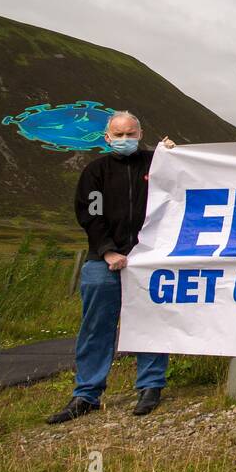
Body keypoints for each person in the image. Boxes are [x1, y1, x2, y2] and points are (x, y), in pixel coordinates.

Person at [46, 111, 175, 424]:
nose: (125, 140)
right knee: (96, 327)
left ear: (141, 133)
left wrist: (174, 157)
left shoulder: (156, 164)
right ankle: (86, 394)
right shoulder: (95, 171)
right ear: (107, 138)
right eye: (118, 135)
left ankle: (150, 387)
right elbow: (89, 214)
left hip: (148, 260)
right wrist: (107, 251)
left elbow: (182, 190)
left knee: (150, 322)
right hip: (104, 263)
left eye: (130, 134)